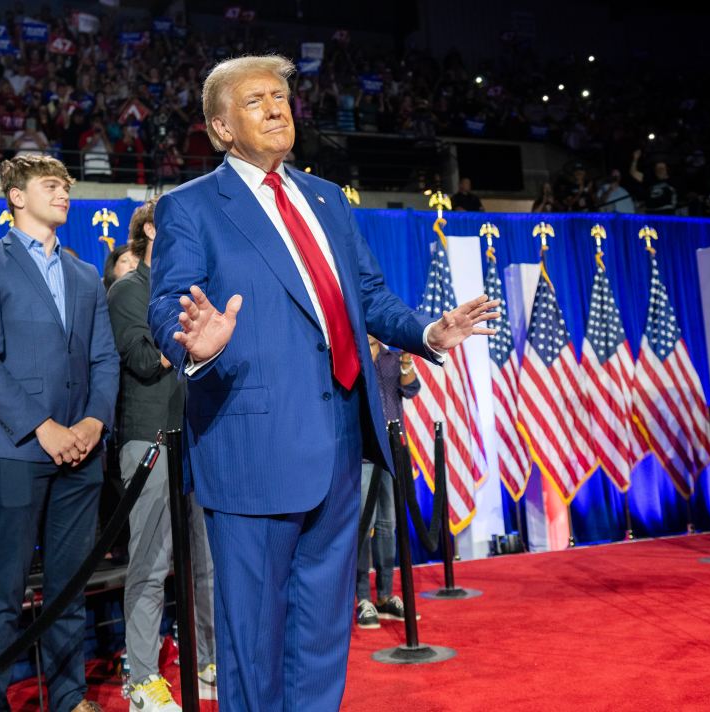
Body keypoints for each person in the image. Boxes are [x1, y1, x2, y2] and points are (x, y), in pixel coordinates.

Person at [147, 55, 497, 711]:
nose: (277, 107)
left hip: (341, 442)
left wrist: (425, 333)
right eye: (256, 101)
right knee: (254, 638)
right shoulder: (192, 207)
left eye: (281, 96)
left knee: (322, 631)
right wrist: (194, 342)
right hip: (253, 448)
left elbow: (367, 295)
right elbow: (168, 303)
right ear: (221, 127)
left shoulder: (327, 198)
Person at [0, 155, 119, 712]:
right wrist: (44, 427)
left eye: (67, 186)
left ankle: (70, 697)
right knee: (3, 590)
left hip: (83, 449)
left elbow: (104, 358)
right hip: (17, 448)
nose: (64, 193)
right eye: (51, 185)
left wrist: (94, 421)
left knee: (68, 587)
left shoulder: (84, 273)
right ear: (16, 197)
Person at [107, 200, 216, 711]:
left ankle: (210, 659)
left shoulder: (194, 292)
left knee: (207, 562)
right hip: (149, 441)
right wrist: (194, 345)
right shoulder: (129, 289)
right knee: (150, 566)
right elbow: (144, 360)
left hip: (199, 437)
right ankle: (143, 681)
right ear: (151, 229)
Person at [354, 335, 419, 629]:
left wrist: (406, 358)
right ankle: (362, 598)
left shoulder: (393, 359)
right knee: (362, 526)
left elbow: (411, 388)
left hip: (392, 455)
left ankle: (385, 595)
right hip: (363, 456)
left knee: (386, 525)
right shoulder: (352, 358)